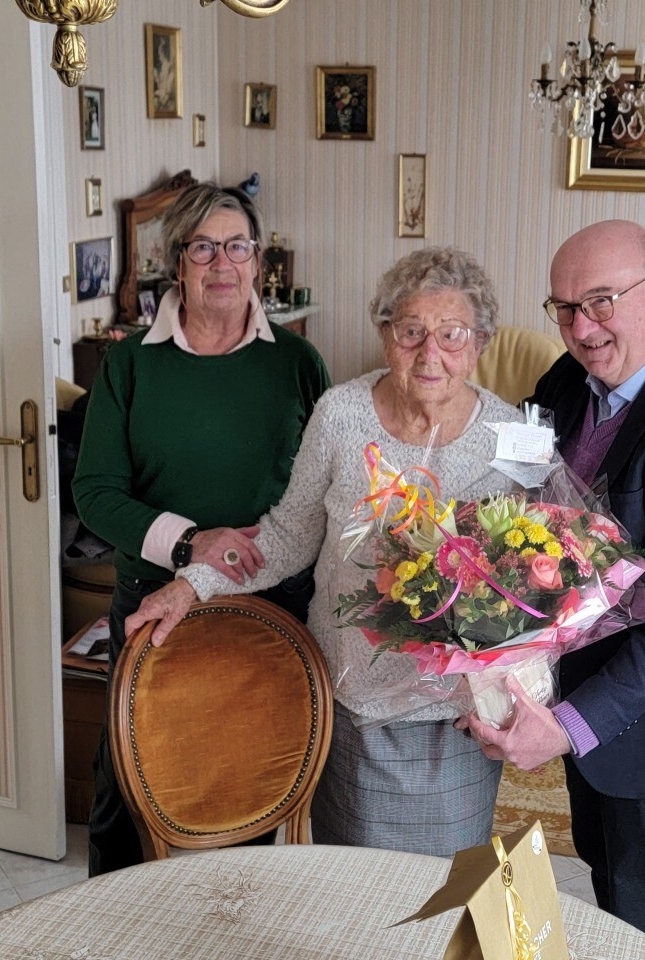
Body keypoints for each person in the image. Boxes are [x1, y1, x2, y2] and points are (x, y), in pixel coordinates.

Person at [125, 246, 521, 857]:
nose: (430, 352)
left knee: (446, 897)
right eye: (411, 331)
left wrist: (521, 691)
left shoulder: (511, 435)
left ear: (481, 344)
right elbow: (288, 536)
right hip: (348, 704)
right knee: (349, 891)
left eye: (451, 334)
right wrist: (189, 585)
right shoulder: (340, 415)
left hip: (456, 718)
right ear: (385, 335)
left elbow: (530, 582)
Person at [457, 220, 645, 960]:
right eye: (563, 308)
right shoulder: (571, 381)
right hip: (585, 702)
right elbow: (524, 501)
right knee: (608, 906)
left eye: (600, 302)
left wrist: (567, 725)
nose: (581, 327)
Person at [73, 181, 330, 876]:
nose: (224, 264)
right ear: (176, 261)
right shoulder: (130, 365)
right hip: (156, 609)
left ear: (258, 257)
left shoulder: (297, 364)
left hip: (269, 609)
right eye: (205, 248)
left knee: (247, 788)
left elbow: (323, 491)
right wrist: (193, 542)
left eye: (238, 246)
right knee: (130, 791)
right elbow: (95, 494)